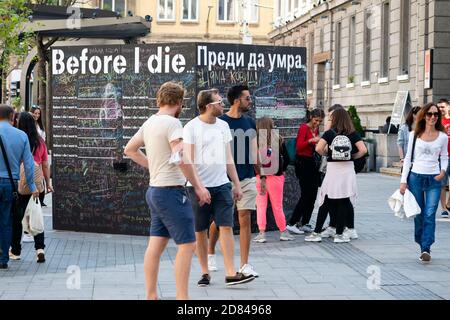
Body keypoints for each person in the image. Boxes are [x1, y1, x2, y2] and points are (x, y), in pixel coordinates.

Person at [124, 82, 211, 300]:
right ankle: (183, 299)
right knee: (188, 245)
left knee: (156, 244)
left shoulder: (150, 122)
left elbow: (129, 150)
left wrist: (152, 165)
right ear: (179, 102)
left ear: (160, 99)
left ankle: (151, 296)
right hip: (171, 192)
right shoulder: (173, 124)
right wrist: (199, 187)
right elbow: (181, 157)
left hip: (155, 191)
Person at [184, 89, 255, 287]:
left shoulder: (223, 126)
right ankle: (205, 272)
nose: (222, 104)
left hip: (222, 185)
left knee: (226, 226)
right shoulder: (191, 127)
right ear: (209, 106)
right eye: (218, 102)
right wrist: (199, 188)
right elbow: (188, 161)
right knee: (200, 230)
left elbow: (228, 157)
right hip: (198, 188)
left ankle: (231, 272)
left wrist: (237, 185)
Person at [207, 84, 259, 278]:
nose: (250, 101)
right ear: (237, 100)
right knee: (221, 221)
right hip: (224, 179)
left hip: (247, 177)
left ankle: (245, 264)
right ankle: (210, 253)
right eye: (247, 98)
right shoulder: (220, 122)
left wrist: (260, 175)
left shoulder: (250, 123)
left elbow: (254, 152)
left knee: (245, 218)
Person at [400, 103, 448, 262]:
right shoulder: (414, 135)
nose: (433, 117)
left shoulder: (442, 136)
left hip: (434, 178)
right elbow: (408, 159)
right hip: (415, 178)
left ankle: (426, 247)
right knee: (419, 214)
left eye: (435, 114)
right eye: (429, 114)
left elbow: (444, 157)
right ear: (423, 116)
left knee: (429, 214)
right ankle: (421, 243)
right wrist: (403, 181)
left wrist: (442, 172)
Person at [314, 108, 367, 243]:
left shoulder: (330, 133)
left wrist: (328, 154)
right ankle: (340, 234)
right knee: (344, 199)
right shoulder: (352, 133)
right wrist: (352, 156)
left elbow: (318, 148)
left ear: (335, 119)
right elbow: (363, 150)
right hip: (347, 169)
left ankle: (320, 231)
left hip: (333, 169)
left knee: (328, 196)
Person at [9, 112, 53, 263]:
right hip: (37, 185)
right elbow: (45, 165)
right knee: (37, 215)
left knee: (17, 219)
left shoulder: (18, 139)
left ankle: (15, 251)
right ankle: (40, 248)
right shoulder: (40, 142)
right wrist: (48, 183)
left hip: (20, 184)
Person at [0, 105, 39, 270]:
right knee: (6, 221)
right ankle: (3, 259)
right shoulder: (21, 136)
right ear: (11, 116)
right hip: (10, 183)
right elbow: (29, 165)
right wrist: (31, 185)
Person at [252, 117, 294, 243]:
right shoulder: (278, 139)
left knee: (261, 205)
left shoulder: (255, 141)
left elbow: (254, 161)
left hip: (260, 177)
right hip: (276, 177)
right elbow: (287, 158)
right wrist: (283, 169)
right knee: (277, 206)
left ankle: (261, 233)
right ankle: (283, 232)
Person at [286, 108, 325, 235]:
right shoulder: (304, 128)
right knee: (306, 194)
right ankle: (292, 223)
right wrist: (310, 141)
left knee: (313, 194)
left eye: (320, 121)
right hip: (303, 162)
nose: (317, 123)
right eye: (316, 120)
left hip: (312, 162)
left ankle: (305, 223)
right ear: (311, 117)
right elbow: (299, 147)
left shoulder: (315, 129)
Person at [30, 106, 48, 208]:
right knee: (37, 177)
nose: (36, 115)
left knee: (41, 176)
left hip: (40, 153)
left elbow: (43, 139)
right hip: (33, 154)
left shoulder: (40, 126)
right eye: (35, 113)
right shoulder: (29, 125)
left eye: (38, 113)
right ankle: (38, 198)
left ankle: (41, 199)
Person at [437, 99, 450, 218]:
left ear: (448, 107)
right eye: (439, 107)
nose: (441, 109)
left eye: (443, 107)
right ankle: (443, 208)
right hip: (442, 157)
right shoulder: (436, 121)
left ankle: (448, 203)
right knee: (442, 183)